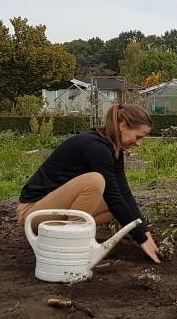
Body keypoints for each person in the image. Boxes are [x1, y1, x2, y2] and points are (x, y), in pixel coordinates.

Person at [17, 103, 162, 264]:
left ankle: (66, 235)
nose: (138, 143)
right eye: (138, 137)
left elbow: (124, 193)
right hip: (32, 213)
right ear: (123, 126)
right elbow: (113, 196)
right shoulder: (96, 147)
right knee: (95, 181)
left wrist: (146, 235)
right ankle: (70, 245)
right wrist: (141, 238)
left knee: (120, 208)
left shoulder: (114, 148)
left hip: (53, 211)